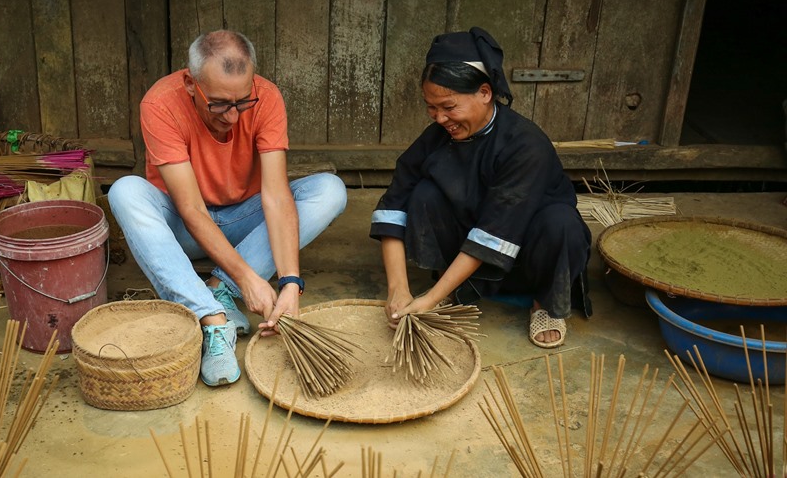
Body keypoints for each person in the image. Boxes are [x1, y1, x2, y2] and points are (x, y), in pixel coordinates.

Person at [108, 30, 347, 386]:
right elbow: (191, 209)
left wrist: (290, 283)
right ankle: (211, 317)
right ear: (191, 83)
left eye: (242, 102)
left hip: (242, 220)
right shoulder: (160, 103)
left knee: (329, 190)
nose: (233, 116)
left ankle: (219, 286)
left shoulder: (266, 97)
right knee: (125, 191)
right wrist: (249, 279)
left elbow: (277, 197)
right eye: (219, 103)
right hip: (184, 226)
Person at [369, 27, 592, 349]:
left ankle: (544, 302)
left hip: (527, 250)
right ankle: (456, 285)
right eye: (431, 107)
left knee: (561, 224)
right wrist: (398, 290)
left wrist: (430, 299)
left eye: (449, 106)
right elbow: (394, 206)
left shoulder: (526, 144)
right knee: (424, 194)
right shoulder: (435, 138)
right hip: (474, 242)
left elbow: (497, 228)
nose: (440, 118)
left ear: (485, 93)